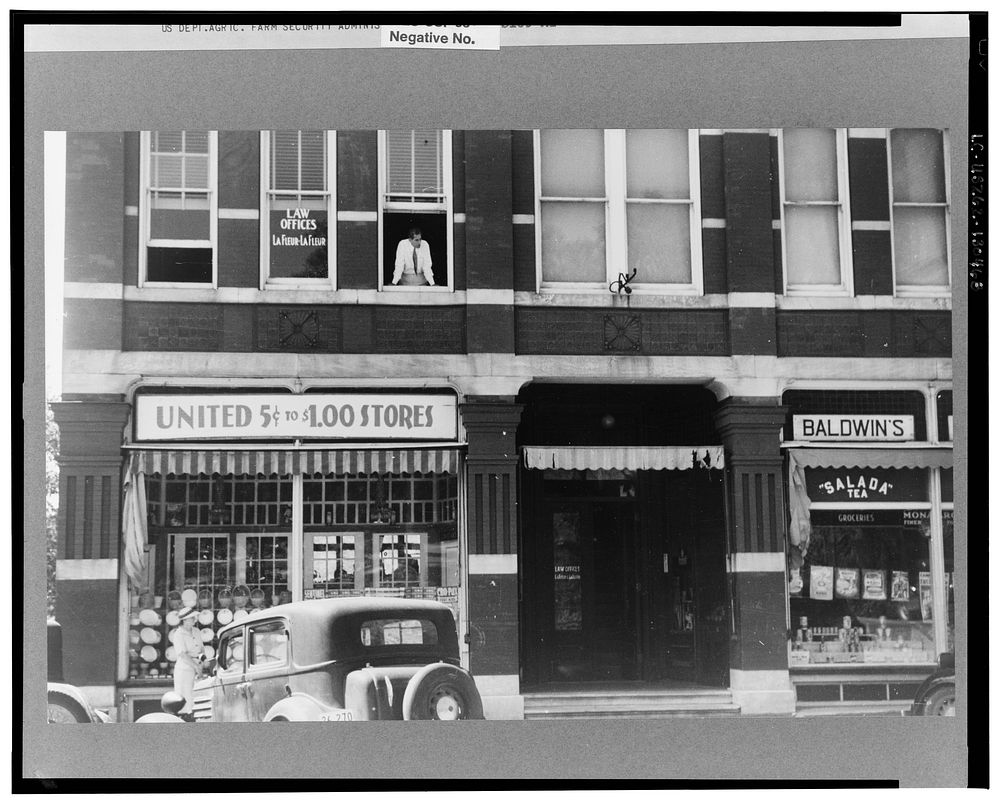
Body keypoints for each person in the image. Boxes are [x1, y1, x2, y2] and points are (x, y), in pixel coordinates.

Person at [171, 606, 205, 721]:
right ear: (184, 620)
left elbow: (201, 649)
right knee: (185, 699)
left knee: (197, 698)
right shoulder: (178, 634)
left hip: (197, 667)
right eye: (192, 618)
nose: (195, 619)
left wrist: (201, 663)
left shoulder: (196, 631)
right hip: (184, 670)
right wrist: (195, 666)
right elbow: (182, 654)